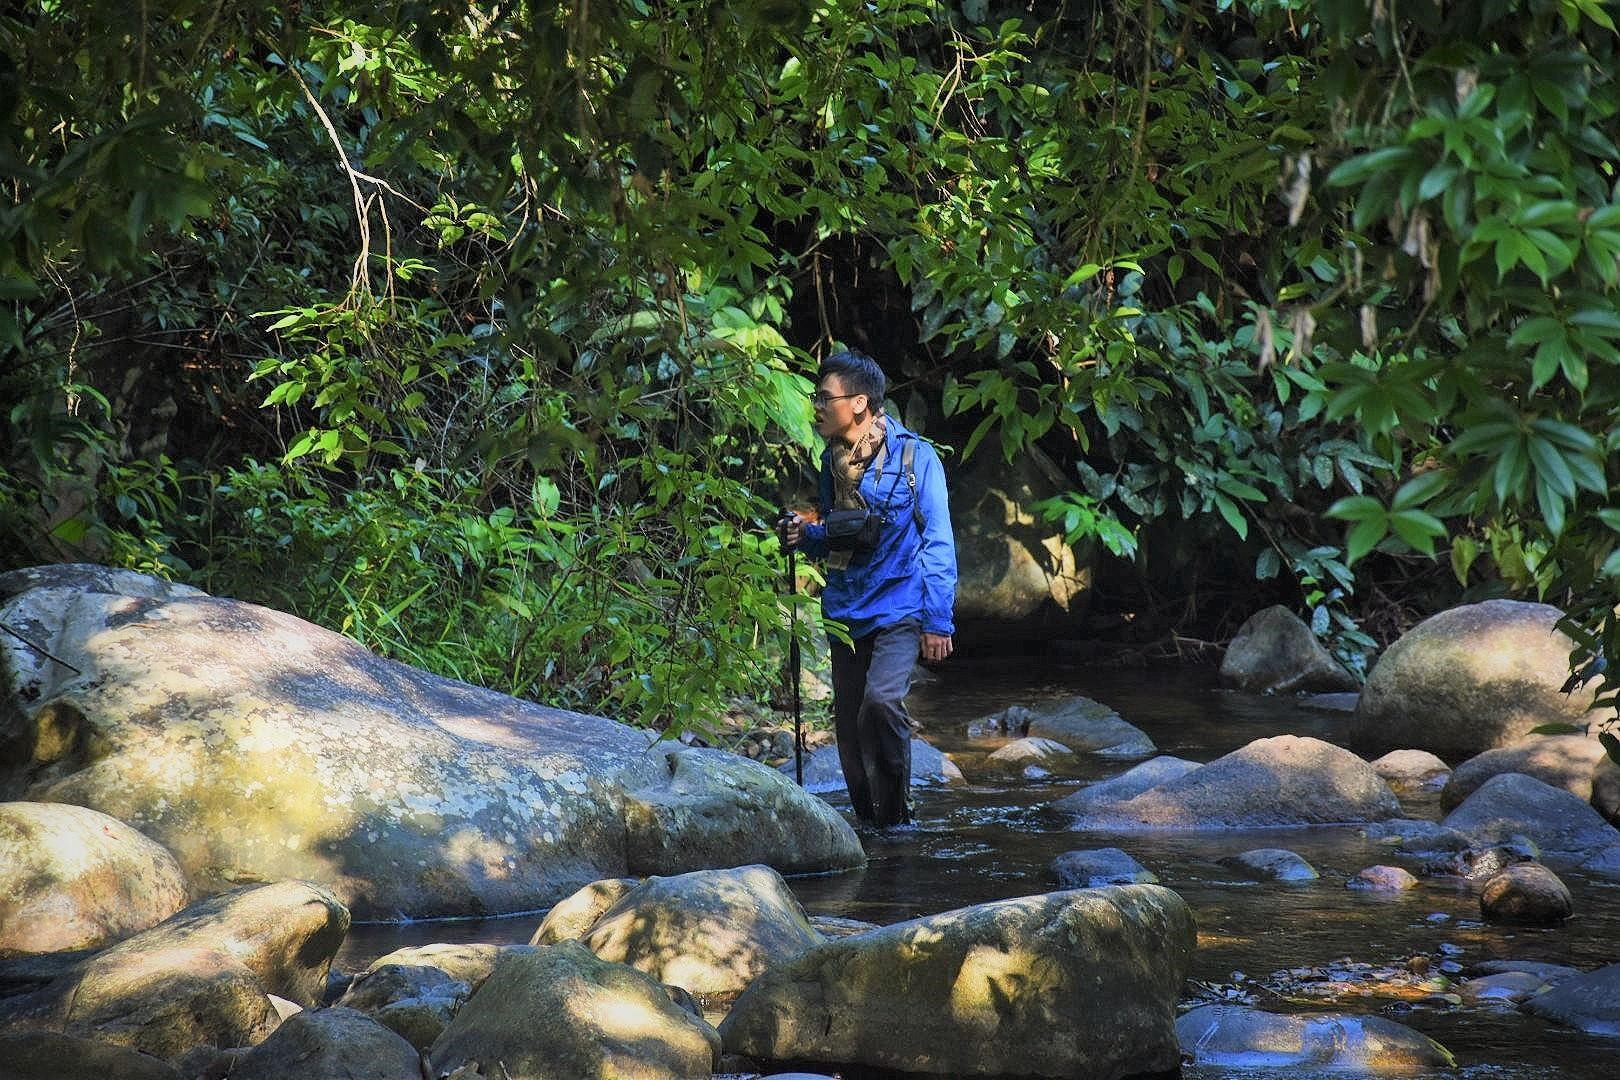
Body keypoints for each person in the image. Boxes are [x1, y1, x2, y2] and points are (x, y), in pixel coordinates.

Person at [781, 350, 957, 828]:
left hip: (900, 606)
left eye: (824, 397)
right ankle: (868, 823)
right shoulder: (830, 461)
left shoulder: (915, 457)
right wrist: (806, 535)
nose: (816, 406)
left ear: (859, 403)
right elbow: (843, 535)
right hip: (844, 608)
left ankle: (898, 817)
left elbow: (939, 542)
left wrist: (938, 622)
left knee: (879, 705)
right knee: (848, 728)